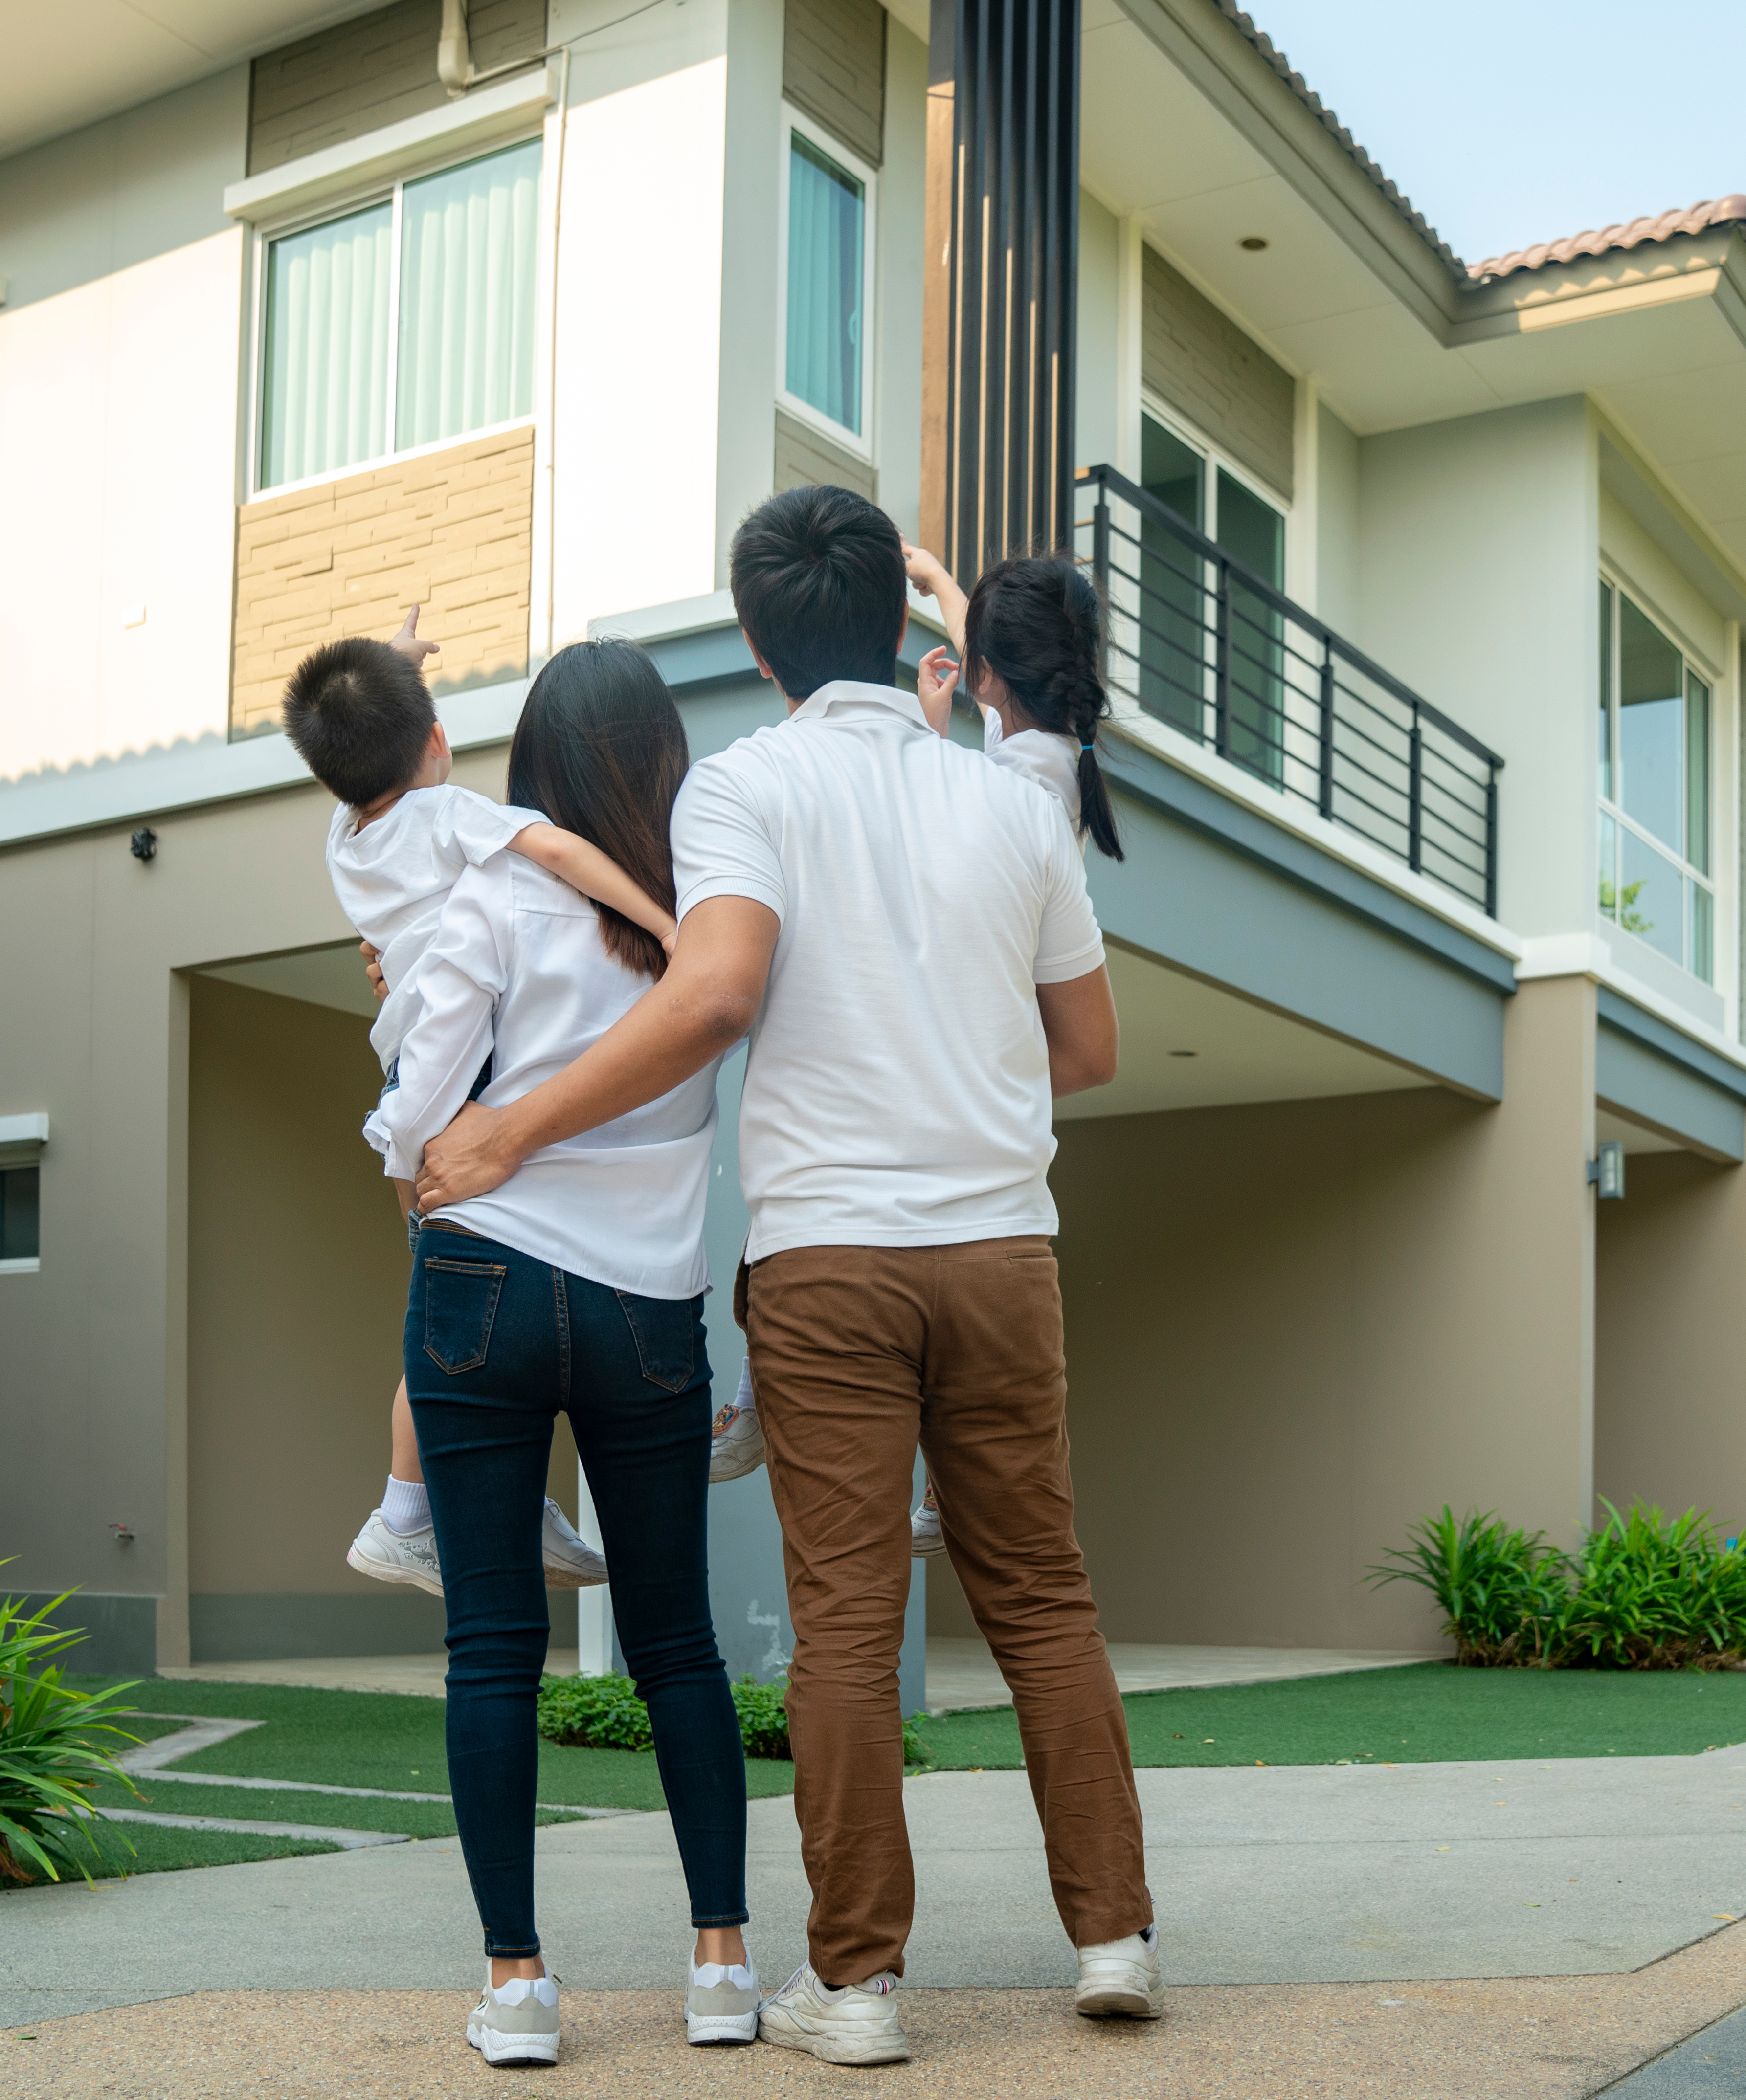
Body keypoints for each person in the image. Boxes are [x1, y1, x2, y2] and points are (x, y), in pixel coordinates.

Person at [415, 486, 1158, 2069]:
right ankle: (1110, 1935)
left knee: (841, 1614)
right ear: (902, 622)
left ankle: (860, 1986)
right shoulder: (1012, 806)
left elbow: (716, 992)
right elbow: (1085, 1048)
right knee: (1043, 1596)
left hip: (829, 1261)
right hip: (1001, 1250)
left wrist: (507, 1132)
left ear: (755, 641)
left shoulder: (742, 787)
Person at [366, 639, 761, 2066]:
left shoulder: (490, 894)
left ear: (530, 769)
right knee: (676, 1645)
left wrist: (393, 1008)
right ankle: (720, 1967)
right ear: (664, 763)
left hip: (481, 1286)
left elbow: (422, 1112)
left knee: (492, 1650)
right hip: (648, 1313)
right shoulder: (706, 923)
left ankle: (520, 1989)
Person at [285, 606, 659, 1598]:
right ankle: (405, 1513)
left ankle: (471, 1502)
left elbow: (366, 744)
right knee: (450, 1314)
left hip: (411, 1070)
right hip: (455, 1080)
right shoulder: (452, 818)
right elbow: (564, 855)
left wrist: (392, 666)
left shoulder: (344, 838)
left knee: (449, 1309)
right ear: (440, 745)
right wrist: (670, 922)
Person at [891, 546, 1129, 1562]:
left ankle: (775, 1399)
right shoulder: (1054, 747)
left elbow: (933, 832)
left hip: (986, 1039)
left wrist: (924, 733)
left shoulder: (1006, 794)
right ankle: (946, 1493)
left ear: (989, 676)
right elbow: (1000, 686)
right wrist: (946, 588)